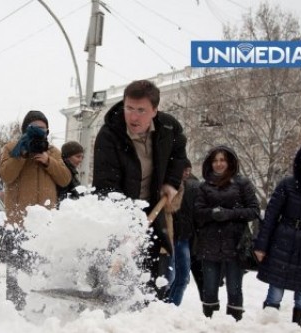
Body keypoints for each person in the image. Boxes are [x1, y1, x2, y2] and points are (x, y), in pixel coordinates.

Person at [92, 79, 187, 300]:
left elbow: (179, 152)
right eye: (129, 108)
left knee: (155, 277)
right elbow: (107, 186)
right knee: (116, 272)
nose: (134, 117)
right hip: (119, 214)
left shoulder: (168, 128)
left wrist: (171, 182)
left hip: (153, 210)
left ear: (154, 110)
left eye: (141, 110)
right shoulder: (109, 135)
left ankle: (147, 316)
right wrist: (125, 224)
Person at [0, 110, 71, 311]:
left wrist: (48, 161)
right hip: (18, 223)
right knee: (16, 272)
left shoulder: (53, 152)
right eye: (35, 128)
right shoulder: (11, 148)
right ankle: (14, 310)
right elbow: (6, 176)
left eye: (43, 128)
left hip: (45, 226)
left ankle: (38, 310)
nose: (40, 131)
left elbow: (65, 179)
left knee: (41, 272)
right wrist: (21, 155)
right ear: (25, 130)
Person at [194, 145, 260, 321]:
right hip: (209, 244)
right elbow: (198, 212)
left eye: (222, 160)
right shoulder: (204, 186)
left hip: (235, 244)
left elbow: (254, 210)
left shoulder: (242, 183)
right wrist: (212, 214)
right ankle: (209, 322)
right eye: (215, 160)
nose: (219, 164)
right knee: (209, 287)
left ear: (229, 162)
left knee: (235, 288)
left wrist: (229, 214)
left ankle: (235, 322)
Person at [254, 140, 301, 327]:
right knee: (276, 289)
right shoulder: (287, 185)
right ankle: (268, 327)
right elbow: (271, 216)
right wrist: (261, 246)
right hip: (284, 242)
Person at [167, 158, 200, 305]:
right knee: (173, 277)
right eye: (184, 170)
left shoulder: (193, 186)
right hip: (171, 237)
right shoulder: (169, 186)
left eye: (188, 170)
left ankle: (171, 307)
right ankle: (168, 306)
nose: (186, 173)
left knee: (180, 278)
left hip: (183, 237)